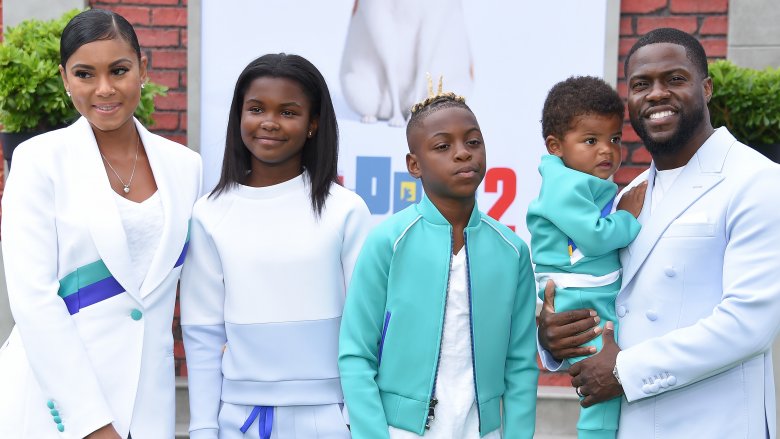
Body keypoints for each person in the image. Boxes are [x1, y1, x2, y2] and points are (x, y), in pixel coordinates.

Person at [538, 27, 780, 438]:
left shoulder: (757, 180)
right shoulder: (628, 196)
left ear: (706, 88)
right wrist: (553, 335)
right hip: (630, 424)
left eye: (674, 79)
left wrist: (623, 370)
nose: (656, 94)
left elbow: (748, 324)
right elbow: (593, 287)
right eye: (641, 84)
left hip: (716, 423)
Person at [0, 9, 202, 439]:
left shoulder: (186, 167)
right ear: (64, 78)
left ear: (143, 69)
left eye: (119, 70)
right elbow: (33, 299)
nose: (104, 88)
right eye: (85, 74)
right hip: (56, 406)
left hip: (149, 406)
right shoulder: (39, 162)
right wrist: (92, 423)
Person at [180, 53, 371, 439]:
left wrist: (354, 419)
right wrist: (203, 427)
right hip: (237, 419)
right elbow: (202, 334)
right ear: (239, 117)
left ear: (313, 124)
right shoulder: (210, 213)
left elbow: (365, 330)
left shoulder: (345, 210)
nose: (269, 122)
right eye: (256, 109)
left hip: (328, 418)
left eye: (288, 112)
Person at [338, 80, 539, 439]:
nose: (463, 153)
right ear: (414, 165)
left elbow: (521, 363)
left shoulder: (511, 251)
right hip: (400, 430)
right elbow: (356, 354)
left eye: (473, 141)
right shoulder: (389, 241)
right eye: (443, 146)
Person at [527, 76, 646, 439]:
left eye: (614, 139)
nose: (606, 151)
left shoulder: (577, 181)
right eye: (590, 141)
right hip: (578, 298)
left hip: (588, 291)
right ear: (555, 145)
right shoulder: (564, 186)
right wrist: (626, 218)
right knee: (601, 379)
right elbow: (595, 237)